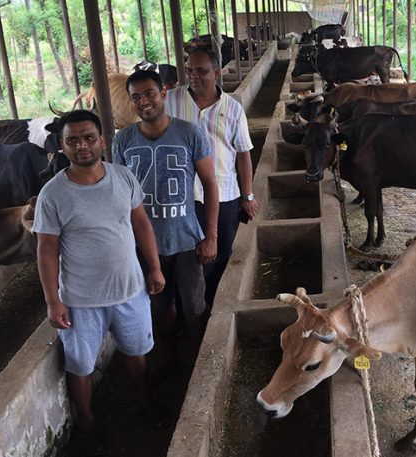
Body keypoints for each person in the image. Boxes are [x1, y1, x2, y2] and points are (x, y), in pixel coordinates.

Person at [33, 110, 169, 456]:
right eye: (73, 140)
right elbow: (46, 250)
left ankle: (146, 401)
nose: (82, 146)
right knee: (80, 366)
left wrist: (154, 268)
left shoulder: (123, 178)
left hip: (129, 290)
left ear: (102, 140)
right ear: (62, 146)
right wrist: (53, 300)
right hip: (79, 299)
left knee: (136, 353)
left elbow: (141, 225)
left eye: (88, 137)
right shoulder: (53, 194)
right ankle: (87, 424)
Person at [113, 70, 219, 369]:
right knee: (159, 307)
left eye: (149, 93)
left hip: (186, 238)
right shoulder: (124, 140)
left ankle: (200, 362)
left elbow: (210, 184)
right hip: (146, 246)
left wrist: (210, 236)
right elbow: (119, 193)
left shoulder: (189, 132)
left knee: (194, 305)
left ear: (163, 94)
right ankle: (170, 358)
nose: (144, 102)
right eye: (136, 97)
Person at [165, 46, 259, 309]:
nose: (194, 76)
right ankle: (188, 310)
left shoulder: (233, 109)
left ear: (216, 73)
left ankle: (211, 306)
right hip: (181, 196)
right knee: (185, 257)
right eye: (190, 70)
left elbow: (243, 154)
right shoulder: (171, 101)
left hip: (225, 194)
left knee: (219, 254)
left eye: (201, 71)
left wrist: (247, 195)